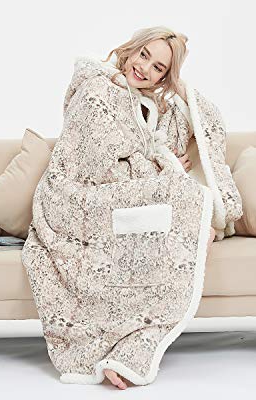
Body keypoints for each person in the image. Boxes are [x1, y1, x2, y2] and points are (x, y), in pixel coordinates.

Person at [98, 26, 217, 390]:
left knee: (195, 225)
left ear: (165, 77)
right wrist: (162, 165)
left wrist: (177, 87)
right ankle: (123, 343)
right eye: (144, 55)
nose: (145, 68)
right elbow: (101, 161)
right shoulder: (98, 88)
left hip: (128, 196)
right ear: (130, 50)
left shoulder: (150, 105)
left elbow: (212, 123)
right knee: (189, 215)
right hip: (89, 198)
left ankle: (136, 342)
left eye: (159, 68)